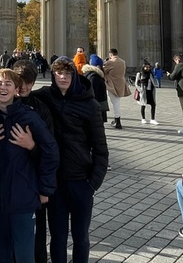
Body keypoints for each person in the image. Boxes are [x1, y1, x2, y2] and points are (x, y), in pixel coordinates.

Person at [35, 57, 108, 263]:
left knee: (81, 237)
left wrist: (93, 183)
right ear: (53, 75)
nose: (63, 77)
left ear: (74, 75)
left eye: (67, 73)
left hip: (81, 181)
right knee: (57, 237)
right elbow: (21, 93)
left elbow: (101, 148)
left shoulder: (90, 104)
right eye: (59, 73)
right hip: (55, 182)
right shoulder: (45, 96)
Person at [0, 68, 59, 263]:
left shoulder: (28, 116)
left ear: (16, 90)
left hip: (23, 198)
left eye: (8, 84)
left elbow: (51, 151)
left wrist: (45, 189)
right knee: (0, 256)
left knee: (25, 256)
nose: (3, 87)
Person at [12, 59, 53, 263]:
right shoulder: (0, 103)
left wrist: (32, 147)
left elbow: (50, 151)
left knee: (37, 231)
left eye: (29, 82)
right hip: (9, 179)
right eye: (20, 82)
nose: (24, 87)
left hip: (34, 179)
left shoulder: (41, 108)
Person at [103, 48, 129, 129]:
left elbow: (103, 70)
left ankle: (117, 121)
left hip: (112, 85)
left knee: (114, 103)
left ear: (111, 54)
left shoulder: (110, 62)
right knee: (117, 102)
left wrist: (105, 62)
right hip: (121, 84)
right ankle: (116, 120)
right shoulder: (122, 61)